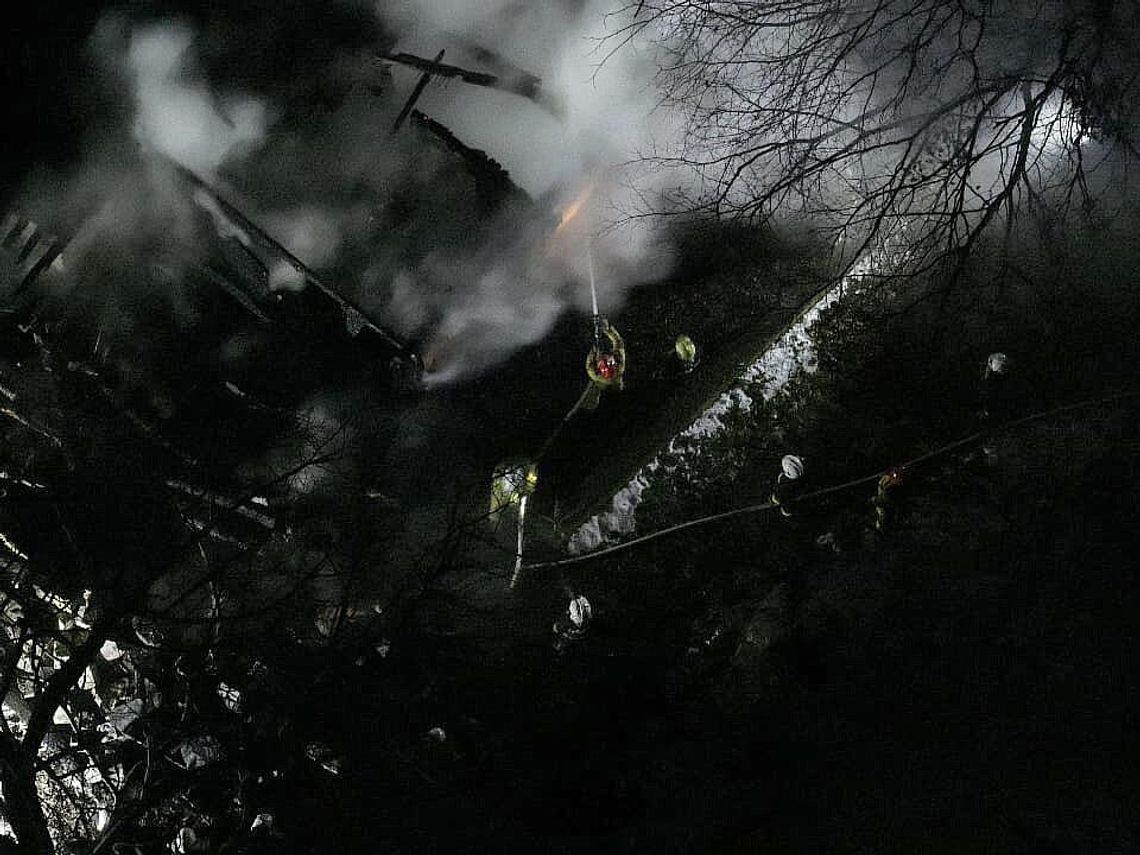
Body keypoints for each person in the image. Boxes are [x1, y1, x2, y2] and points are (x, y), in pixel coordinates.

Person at [581, 319, 626, 410]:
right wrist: (607, 329)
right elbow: (619, 343)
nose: (609, 360)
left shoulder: (598, 375)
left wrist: (593, 351)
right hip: (602, 352)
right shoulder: (619, 366)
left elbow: (589, 367)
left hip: (598, 360)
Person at [872, 467, 905, 532]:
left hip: (885, 497)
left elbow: (875, 500)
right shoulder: (885, 511)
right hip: (887, 497)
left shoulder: (882, 511)